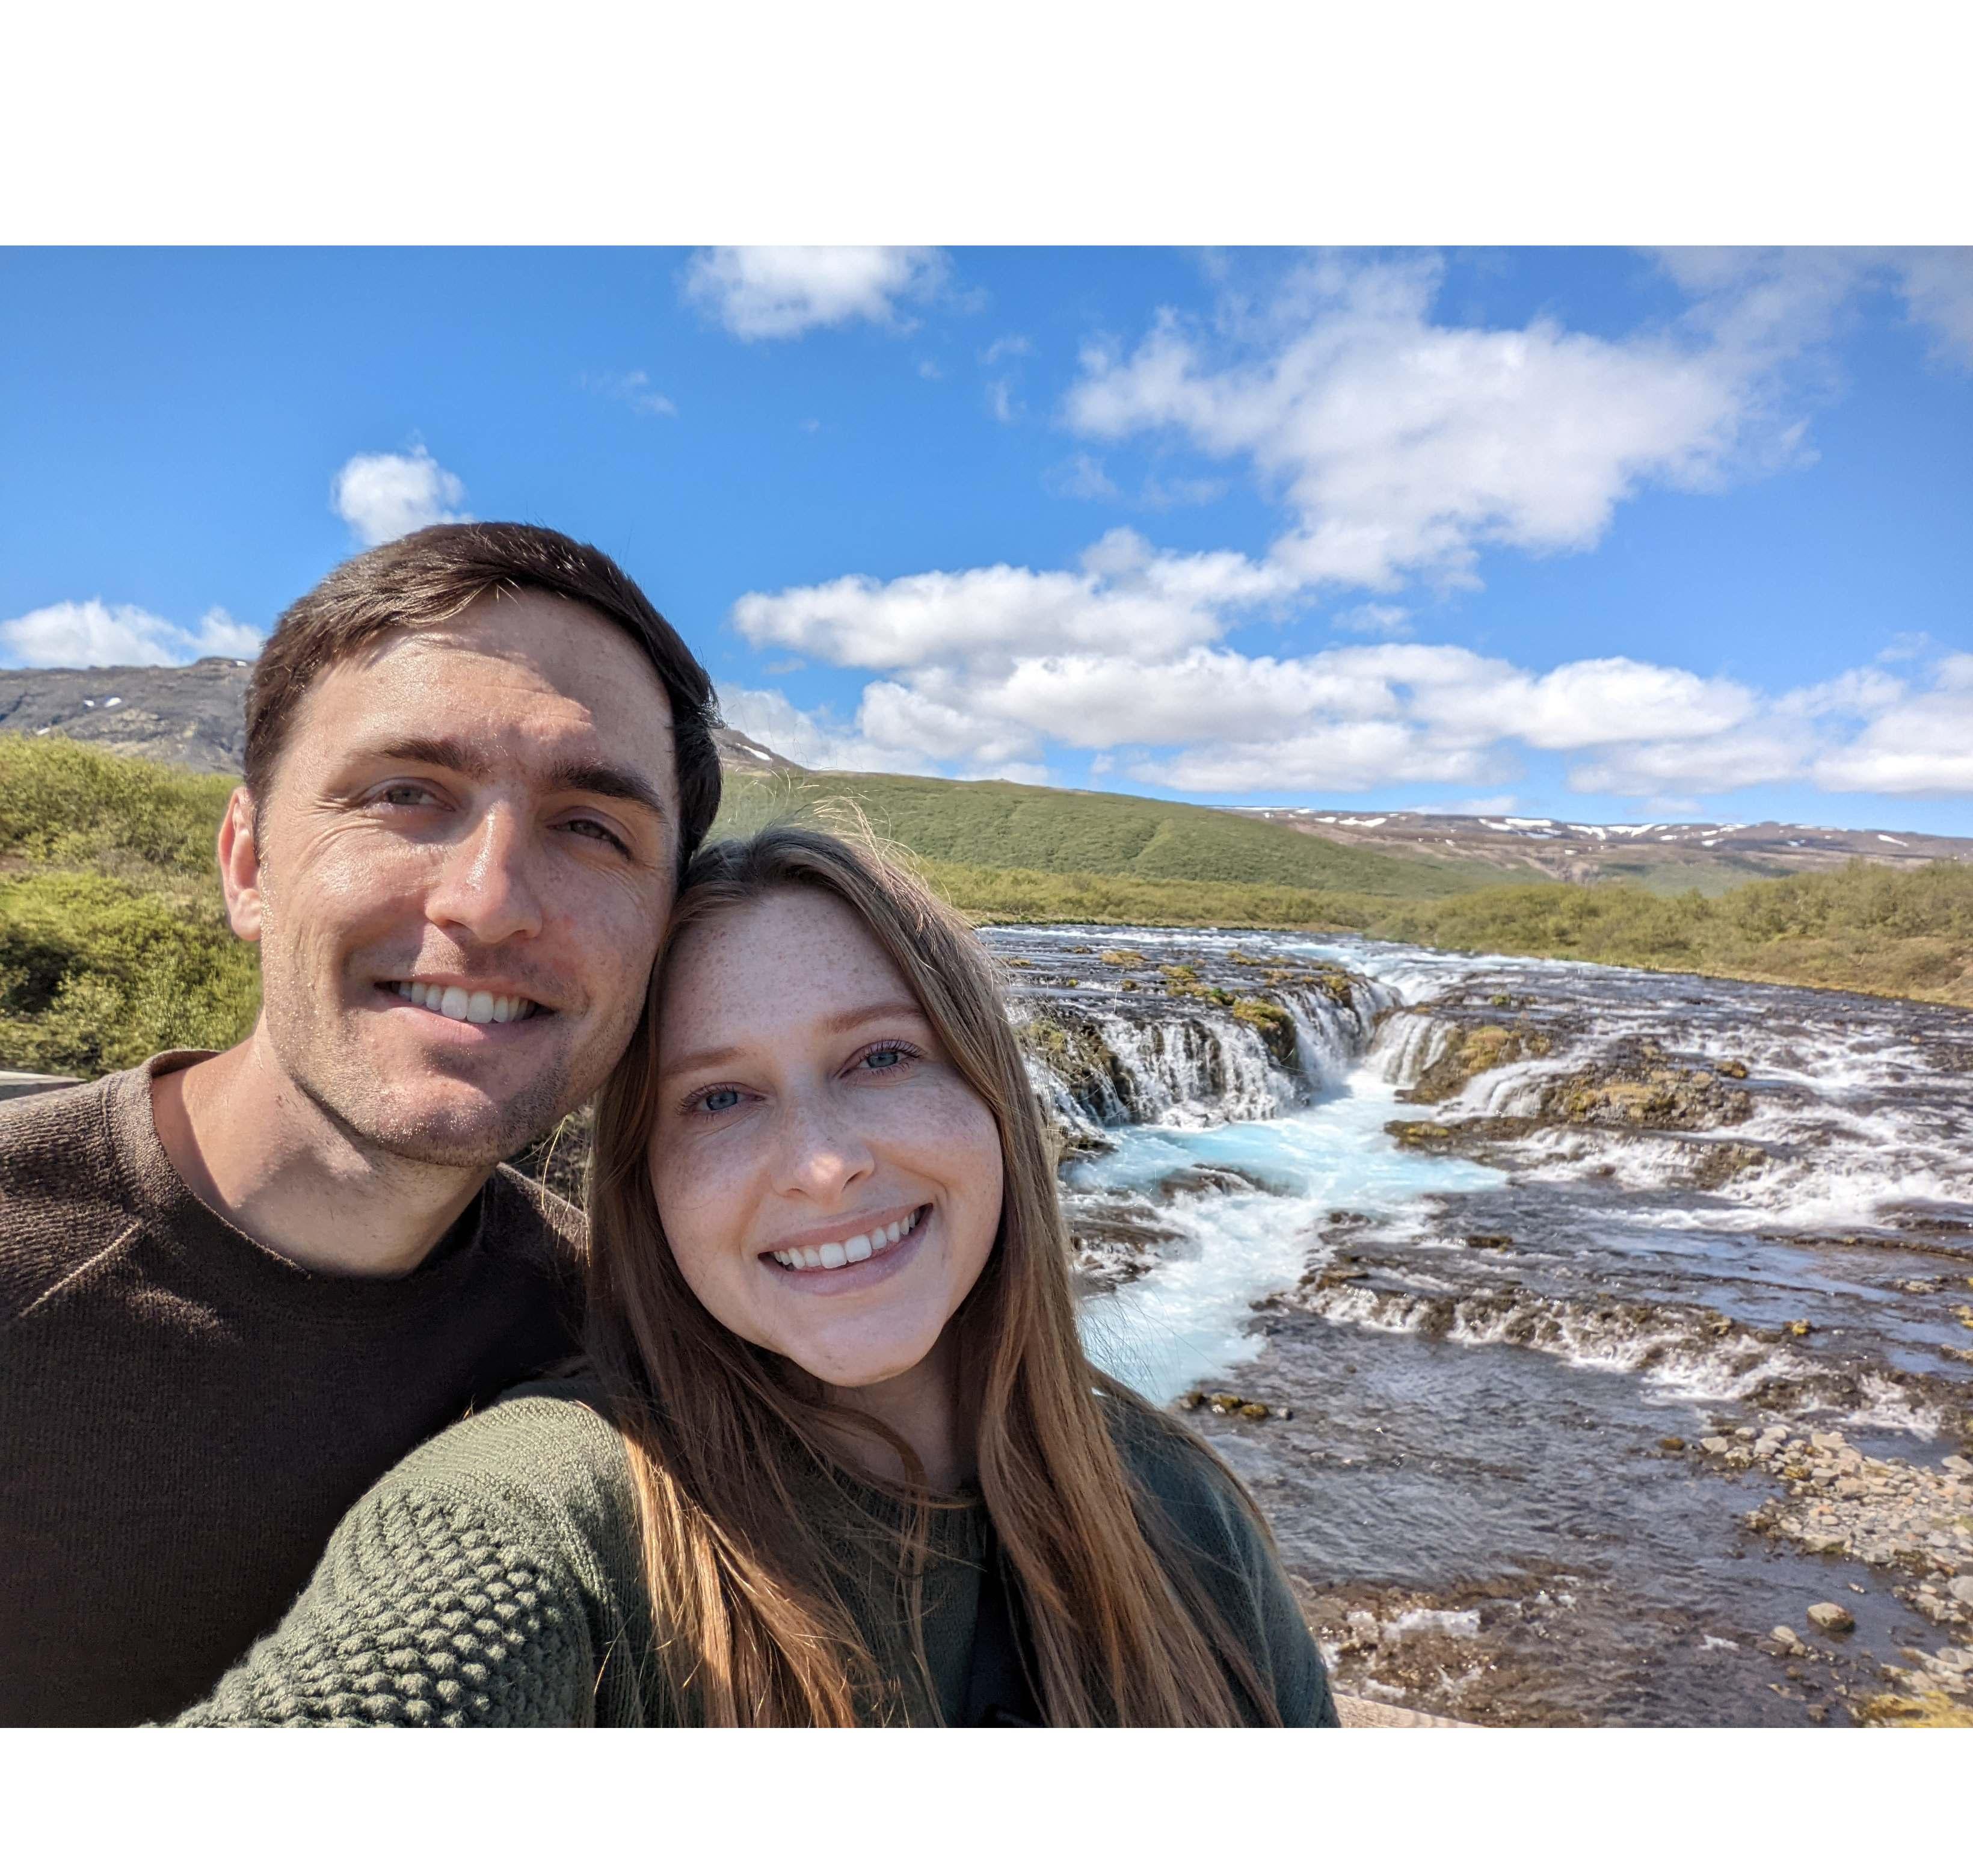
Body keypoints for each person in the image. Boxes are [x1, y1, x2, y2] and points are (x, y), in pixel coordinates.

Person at [176, 827, 1338, 1727]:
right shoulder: (540, 1518)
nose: (826, 1168)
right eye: (719, 1098)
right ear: (645, 1182)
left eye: (883, 1057)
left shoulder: (1177, 1510)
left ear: (992, 1101)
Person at [0, 523, 720, 1726]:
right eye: (404, 794)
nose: (486, 901)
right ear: (248, 865)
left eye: (592, 827)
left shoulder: (631, 1344)